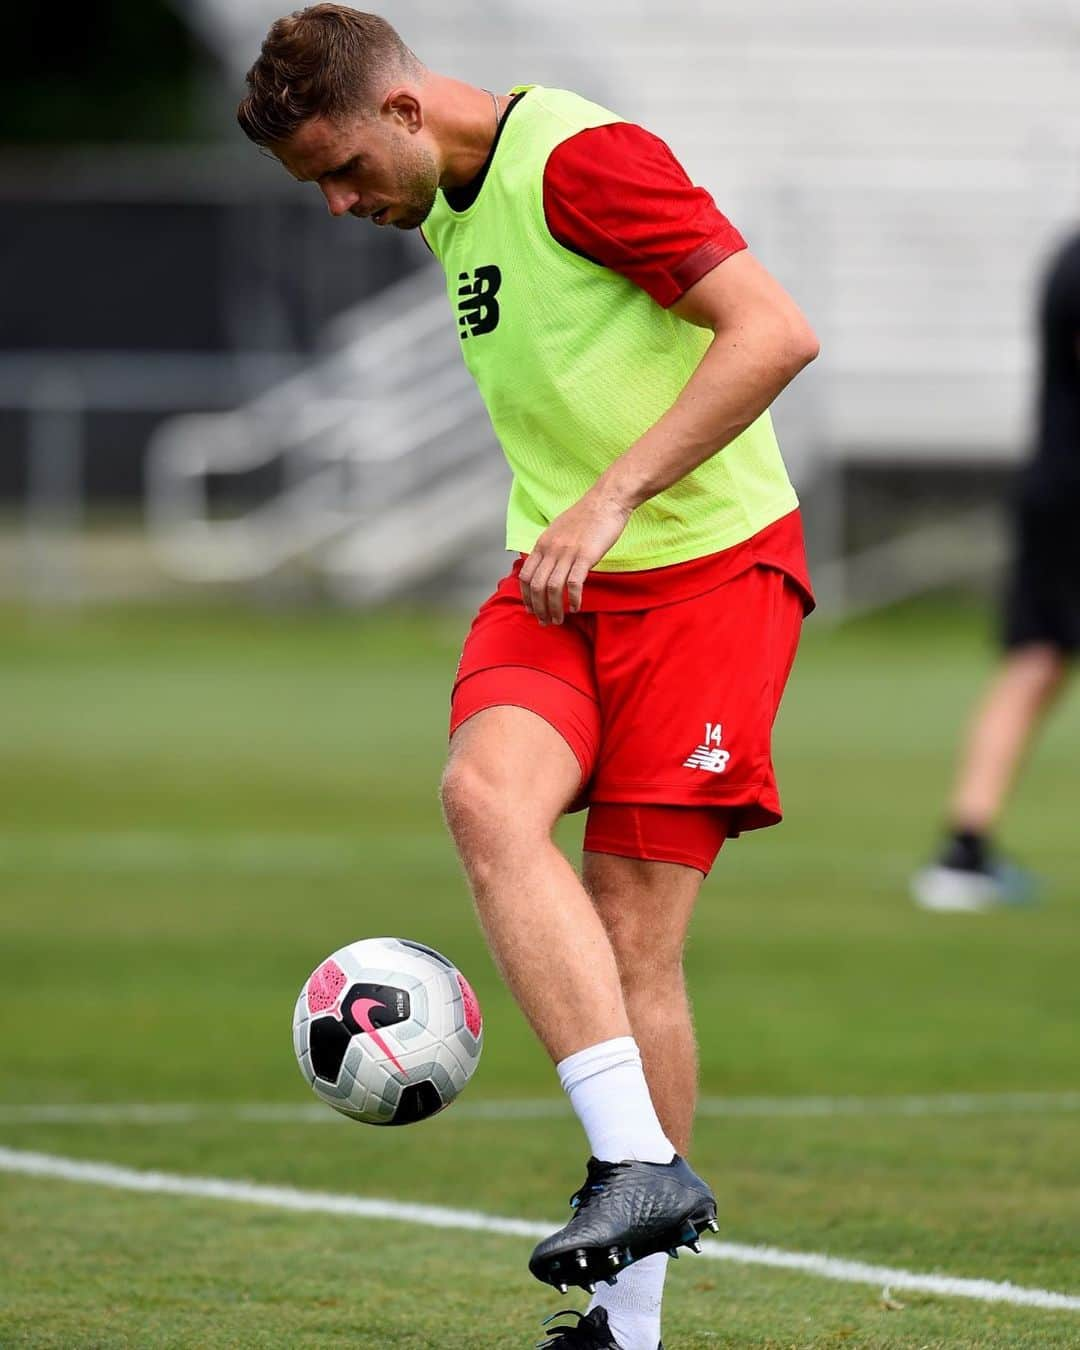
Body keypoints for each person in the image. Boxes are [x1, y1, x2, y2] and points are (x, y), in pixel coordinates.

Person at [237, 9, 819, 1346]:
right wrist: (580, 518)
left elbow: (774, 331)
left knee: (632, 929)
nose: (335, 205)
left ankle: (629, 1326)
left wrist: (611, 496)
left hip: (708, 578)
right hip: (559, 580)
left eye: (341, 171)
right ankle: (637, 1158)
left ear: (403, 110)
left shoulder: (582, 160)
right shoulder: (440, 200)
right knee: (484, 799)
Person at [912, 232, 1080, 914]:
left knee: (1035, 661)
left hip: (1056, 486)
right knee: (1034, 660)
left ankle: (966, 849)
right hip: (1071, 492)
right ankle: (965, 852)